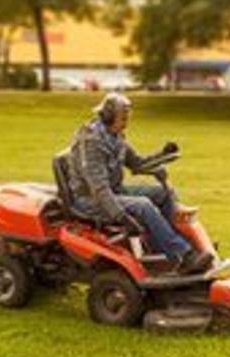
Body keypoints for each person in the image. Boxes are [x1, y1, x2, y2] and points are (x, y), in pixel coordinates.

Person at [65, 93, 212, 274]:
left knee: (164, 193)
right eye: (124, 117)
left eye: (128, 116)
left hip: (114, 191)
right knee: (143, 205)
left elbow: (137, 164)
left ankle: (168, 248)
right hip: (90, 200)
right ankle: (184, 255)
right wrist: (122, 217)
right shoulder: (91, 143)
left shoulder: (115, 136)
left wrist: (163, 155)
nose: (127, 121)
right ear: (109, 116)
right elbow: (99, 189)